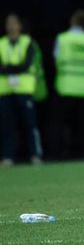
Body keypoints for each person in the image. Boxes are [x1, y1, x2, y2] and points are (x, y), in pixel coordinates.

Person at [0, 13, 42, 165]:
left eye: (14, 23)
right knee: (7, 126)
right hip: (5, 90)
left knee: (30, 124)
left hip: (24, 90)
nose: (11, 26)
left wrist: (7, 68)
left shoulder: (28, 42)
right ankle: (8, 156)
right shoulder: (1, 43)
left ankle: (35, 155)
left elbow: (27, 65)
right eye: (8, 23)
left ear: (20, 25)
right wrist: (15, 68)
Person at [53, 9, 84, 159]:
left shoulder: (63, 38)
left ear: (72, 21)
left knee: (61, 123)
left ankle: (60, 153)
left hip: (66, 85)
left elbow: (56, 60)